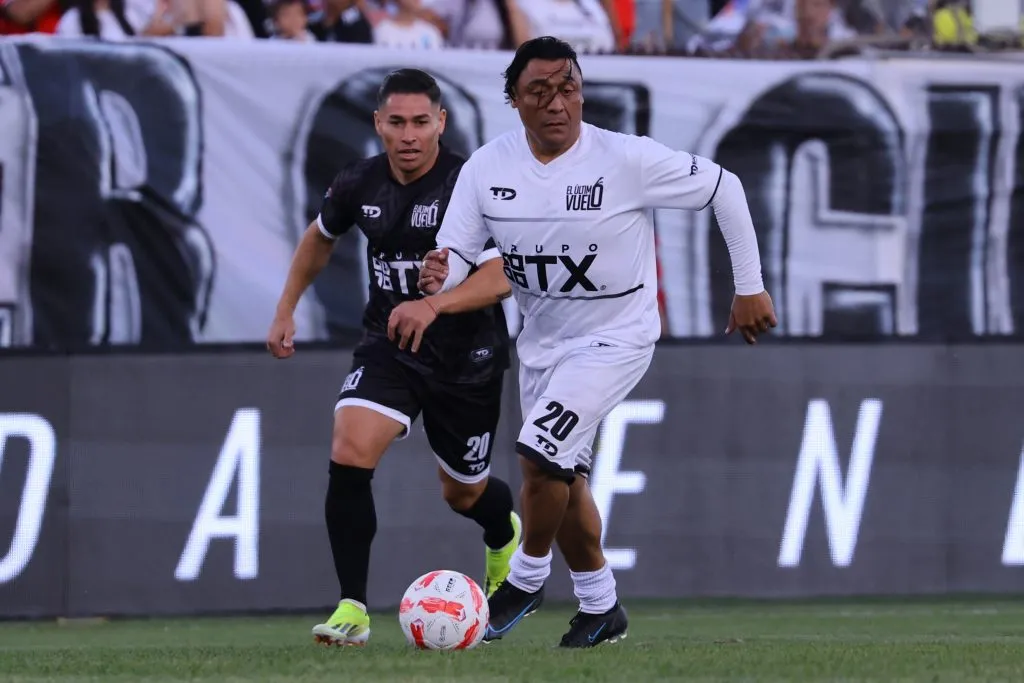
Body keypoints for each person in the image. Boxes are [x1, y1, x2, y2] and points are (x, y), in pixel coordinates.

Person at [388, 36, 776, 648]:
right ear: (513, 99)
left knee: (539, 453)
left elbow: (725, 188)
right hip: (541, 344)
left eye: (567, 88)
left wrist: (749, 287)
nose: (556, 103)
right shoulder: (487, 169)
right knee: (562, 482)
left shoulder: (624, 159)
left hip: (617, 336)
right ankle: (600, 606)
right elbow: (458, 251)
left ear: (581, 92)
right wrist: (442, 276)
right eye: (539, 91)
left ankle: (525, 578)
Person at [266, 68, 521, 648]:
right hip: (390, 344)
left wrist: (438, 304)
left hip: (467, 355)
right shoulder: (359, 182)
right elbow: (319, 237)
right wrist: (286, 310)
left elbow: (506, 272)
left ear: (441, 123)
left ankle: (502, 532)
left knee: (463, 493)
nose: (409, 135)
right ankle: (352, 608)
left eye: (421, 122)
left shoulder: (471, 183)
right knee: (349, 448)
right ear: (379, 124)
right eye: (397, 123)